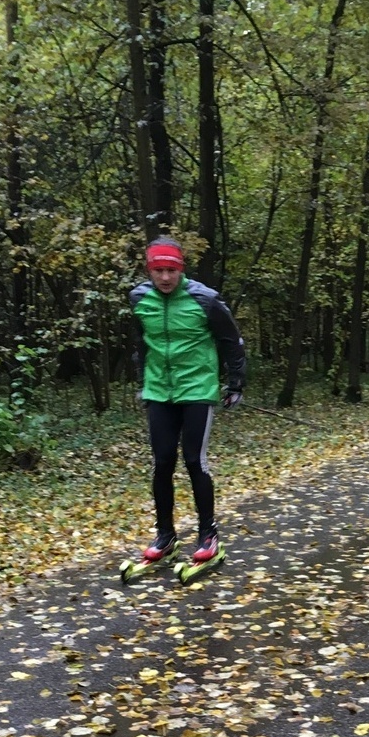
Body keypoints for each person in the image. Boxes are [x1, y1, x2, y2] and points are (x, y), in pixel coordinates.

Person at [130, 236, 246, 564]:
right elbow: (141, 343)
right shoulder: (139, 299)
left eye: (171, 270)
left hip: (197, 389)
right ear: (149, 271)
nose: (165, 278)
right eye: (159, 271)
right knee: (162, 462)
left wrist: (235, 384)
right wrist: (142, 381)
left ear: (181, 270)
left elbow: (231, 342)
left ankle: (208, 535)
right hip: (158, 391)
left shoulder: (205, 300)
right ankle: (165, 535)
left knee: (195, 461)